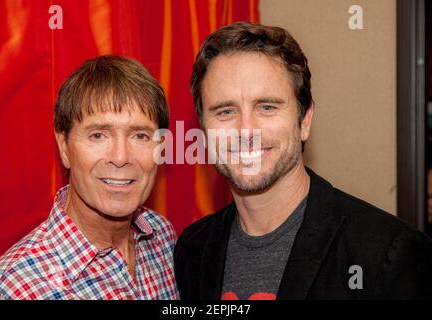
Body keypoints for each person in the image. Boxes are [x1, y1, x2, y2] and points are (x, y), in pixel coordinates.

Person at [174, 22, 432, 300]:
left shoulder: (386, 253)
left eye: (267, 107)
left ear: (304, 120)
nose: (246, 130)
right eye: (225, 111)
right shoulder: (191, 250)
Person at [0, 55, 179, 300]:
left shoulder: (164, 238)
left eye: (140, 136)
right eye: (98, 135)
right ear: (64, 147)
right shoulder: (14, 288)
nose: (120, 157)